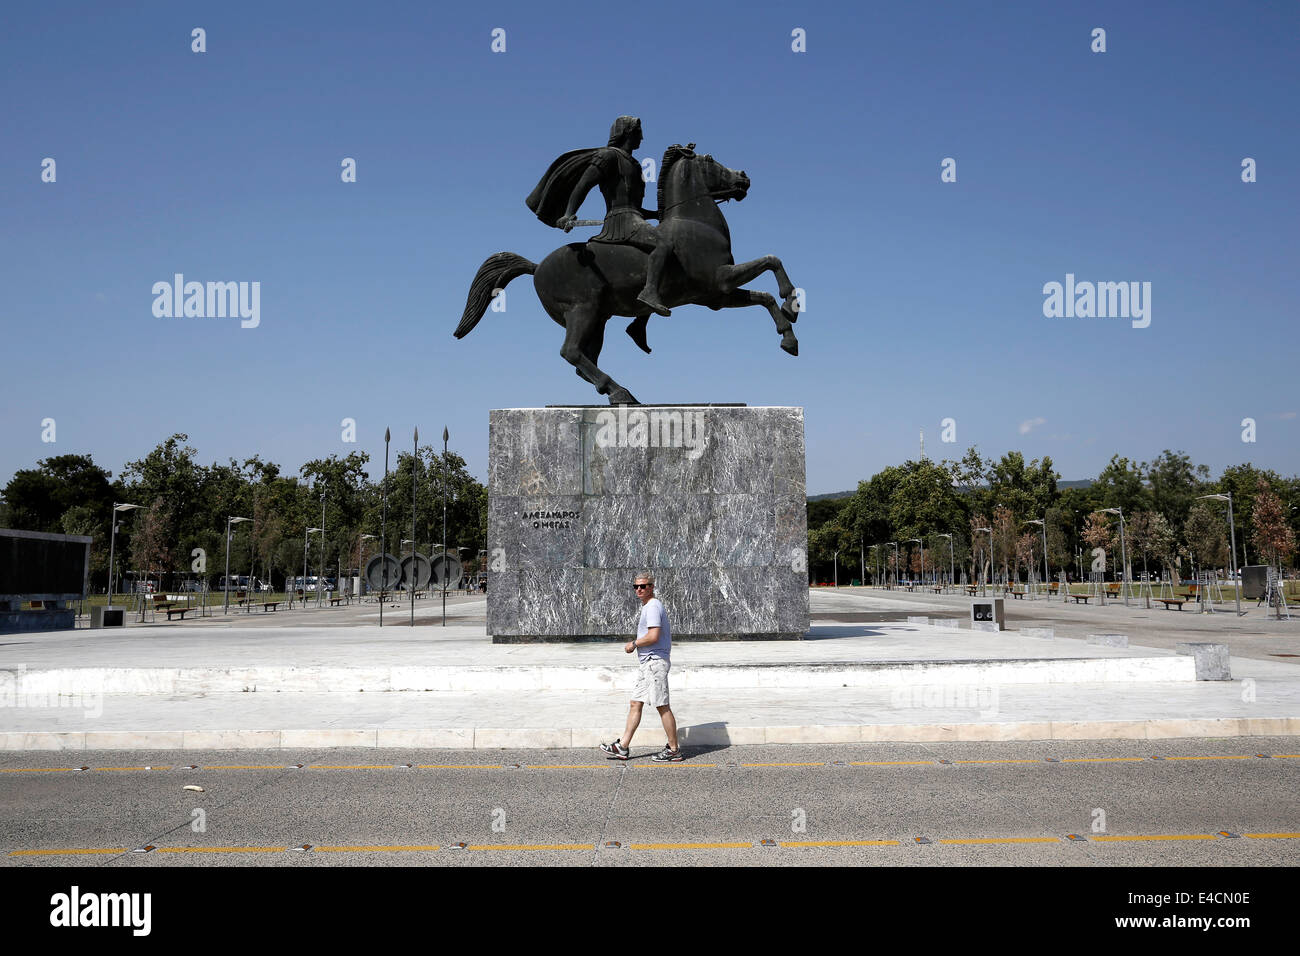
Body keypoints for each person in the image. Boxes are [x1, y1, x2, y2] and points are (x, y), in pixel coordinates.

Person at [600, 572, 681, 761]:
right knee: (636, 703)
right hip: (648, 664)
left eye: (643, 586)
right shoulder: (648, 606)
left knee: (662, 706)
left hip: (655, 663)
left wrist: (634, 644)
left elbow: (653, 636)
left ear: (651, 587)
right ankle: (622, 747)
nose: (639, 589)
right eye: (636, 586)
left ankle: (674, 750)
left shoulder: (653, 606)